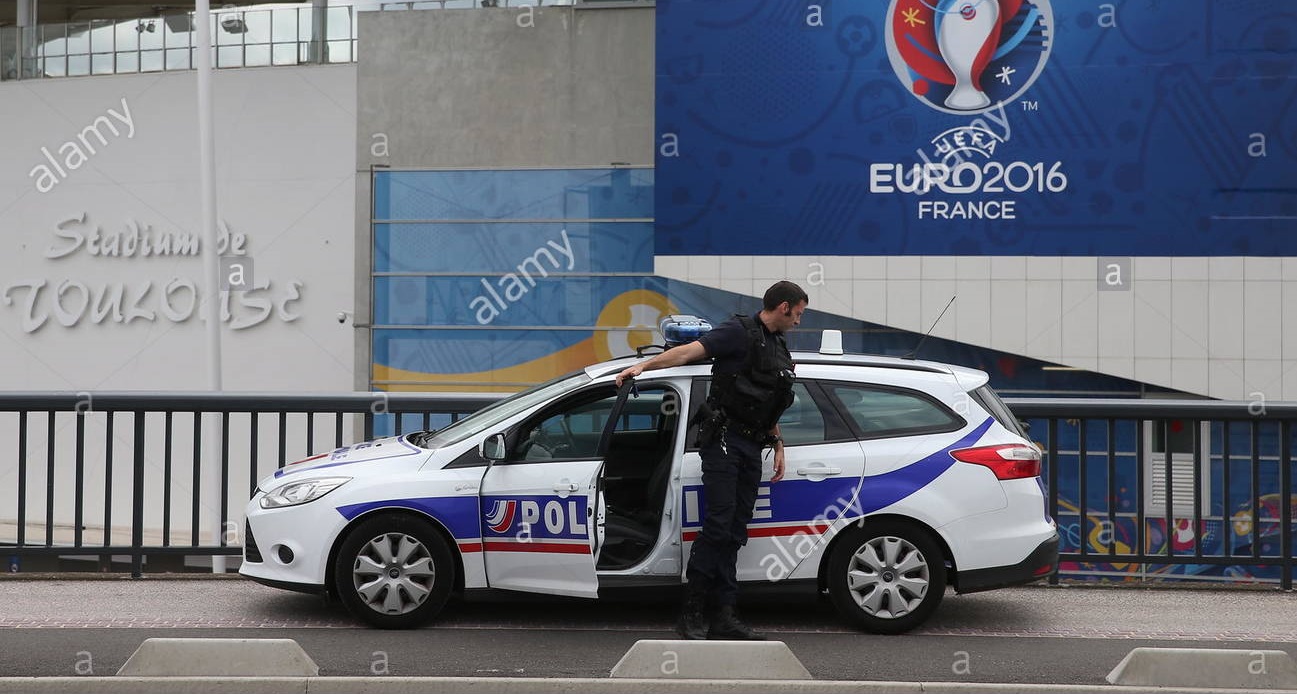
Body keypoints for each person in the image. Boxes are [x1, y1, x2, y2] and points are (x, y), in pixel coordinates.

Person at [615, 280, 807, 640]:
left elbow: (771, 400)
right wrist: (643, 368)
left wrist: (778, 444)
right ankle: (692, 610)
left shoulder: (778, 345)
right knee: (718, 526)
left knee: (734, 532)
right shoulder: (737, 332)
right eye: (798, 313)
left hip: (753, 445)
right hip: (724, 441)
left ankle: (725, 616)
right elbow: (688, 352)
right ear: (783, 307)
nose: (798, 321)